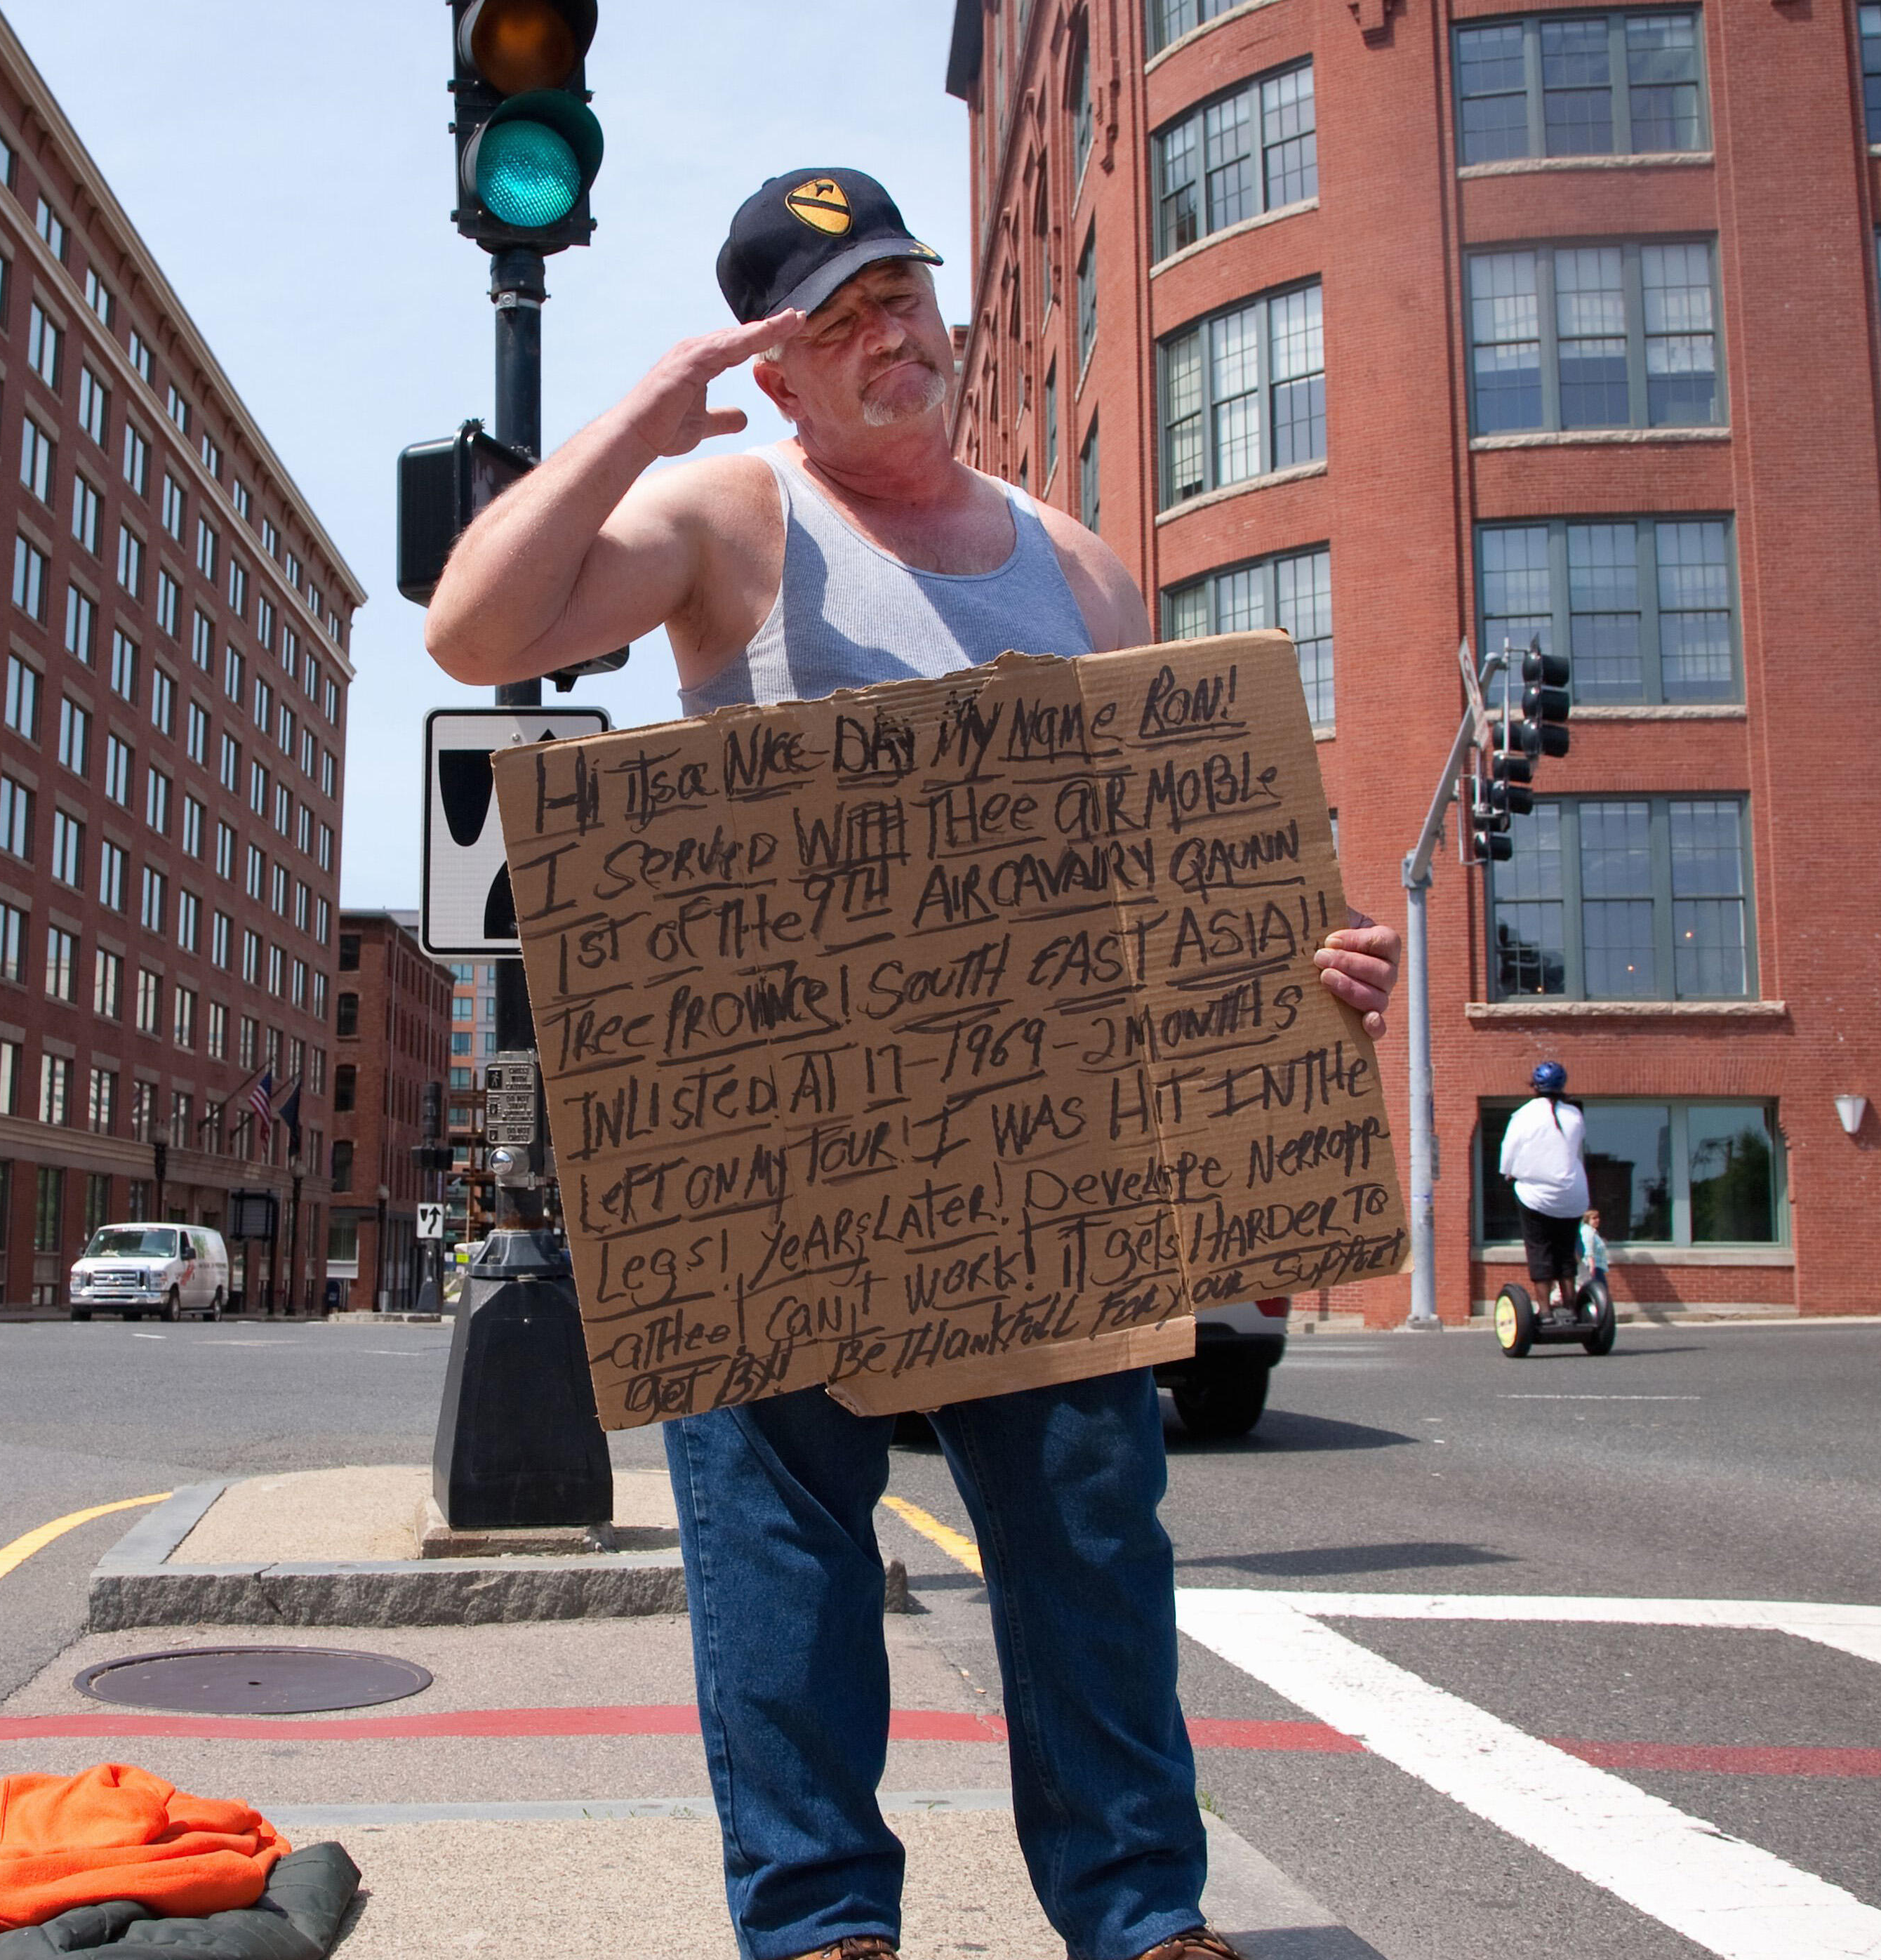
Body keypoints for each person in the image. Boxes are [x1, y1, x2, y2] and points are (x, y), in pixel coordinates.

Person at [425, 168, 1400, 1960]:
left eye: (901, 294)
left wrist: (1298, 967)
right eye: (833, 317)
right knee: (784, 1547)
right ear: (777, 373)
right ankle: (819, 1925)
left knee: (1090, 1531)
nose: (890, 332)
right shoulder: (731, 509)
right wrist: (647, 409)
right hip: (770, 1138)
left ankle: (1139, 1912)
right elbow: (475, 630)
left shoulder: (1080, 564)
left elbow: (1178, 857)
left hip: (1045, 1139)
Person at [1493, 1062, 1587, 1313]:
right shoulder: (1575, 1115)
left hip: (1536, 1195)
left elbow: (1508, 1153)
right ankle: (1572, 1307)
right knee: (1566, 1251)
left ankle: (1545, 1311)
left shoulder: (1523, 1115)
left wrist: (1508, 1173)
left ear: (1535, 1086)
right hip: (1573, 1195)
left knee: (1539, 1249)